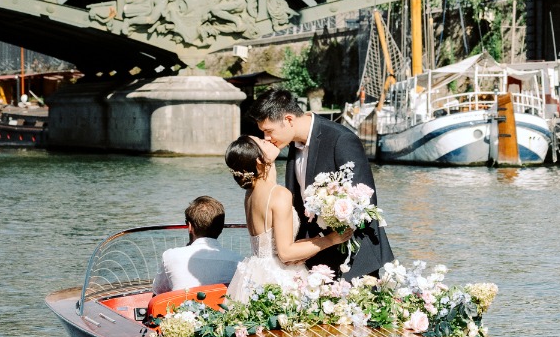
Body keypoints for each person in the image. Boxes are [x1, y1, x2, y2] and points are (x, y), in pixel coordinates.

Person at [253, 90, 394, 282]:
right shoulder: (292, 145)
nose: (266, 137)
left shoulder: (341, 139)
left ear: (288, 119)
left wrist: (334, 218)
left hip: (354, 257)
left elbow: (366, 202)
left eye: (268, 131)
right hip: (316, 257)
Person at [222, 136, 348, 300]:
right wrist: (331, 239)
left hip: (255, 271)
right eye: (262, 142)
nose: (267, 139)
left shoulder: (251, 193)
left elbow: (270, 244)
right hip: (278, 276)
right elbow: (286, 253)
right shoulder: (278, 194)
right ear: (259, 161)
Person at [152, 195, 240, 295]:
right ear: (221, 227)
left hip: (183, 309)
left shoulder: (170, 256)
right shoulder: (238, 261)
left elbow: (158, 293)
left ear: (189, 226)